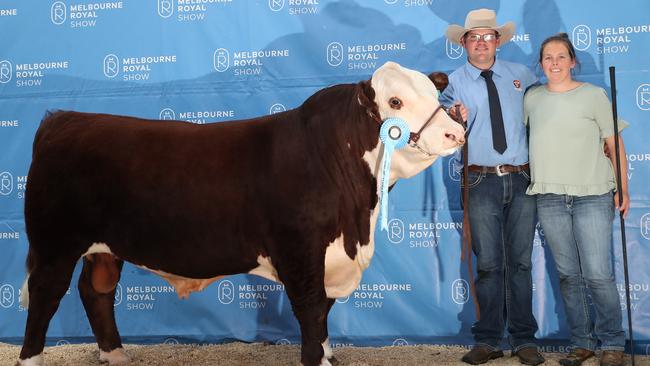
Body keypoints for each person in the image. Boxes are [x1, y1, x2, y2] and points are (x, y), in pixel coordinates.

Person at [439, 8, 544, 365]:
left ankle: (524, 339)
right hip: (480, 178)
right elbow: (440, 132)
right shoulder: (454, 82)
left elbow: (543, 117)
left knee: (520, 263)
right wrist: (454, 120)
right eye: (474, 38)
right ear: (464, 43)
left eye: (488, 37)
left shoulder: (522, 75)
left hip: (521, 176)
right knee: (488, 264)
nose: (482, 43)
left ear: (498, 41)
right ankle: (487, 339)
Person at [524, 33, 629, 366]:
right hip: (550, 197)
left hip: (593, 195)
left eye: (560, 57)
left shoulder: (594, 96)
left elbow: (614, 146)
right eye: (548, 58)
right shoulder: (532, 99)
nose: (554, 63)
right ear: (540, 64)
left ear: (573, 61)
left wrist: (622, 188)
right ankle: (582, 342)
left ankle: (612, 344)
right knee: (569, 275)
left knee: (598, 274)